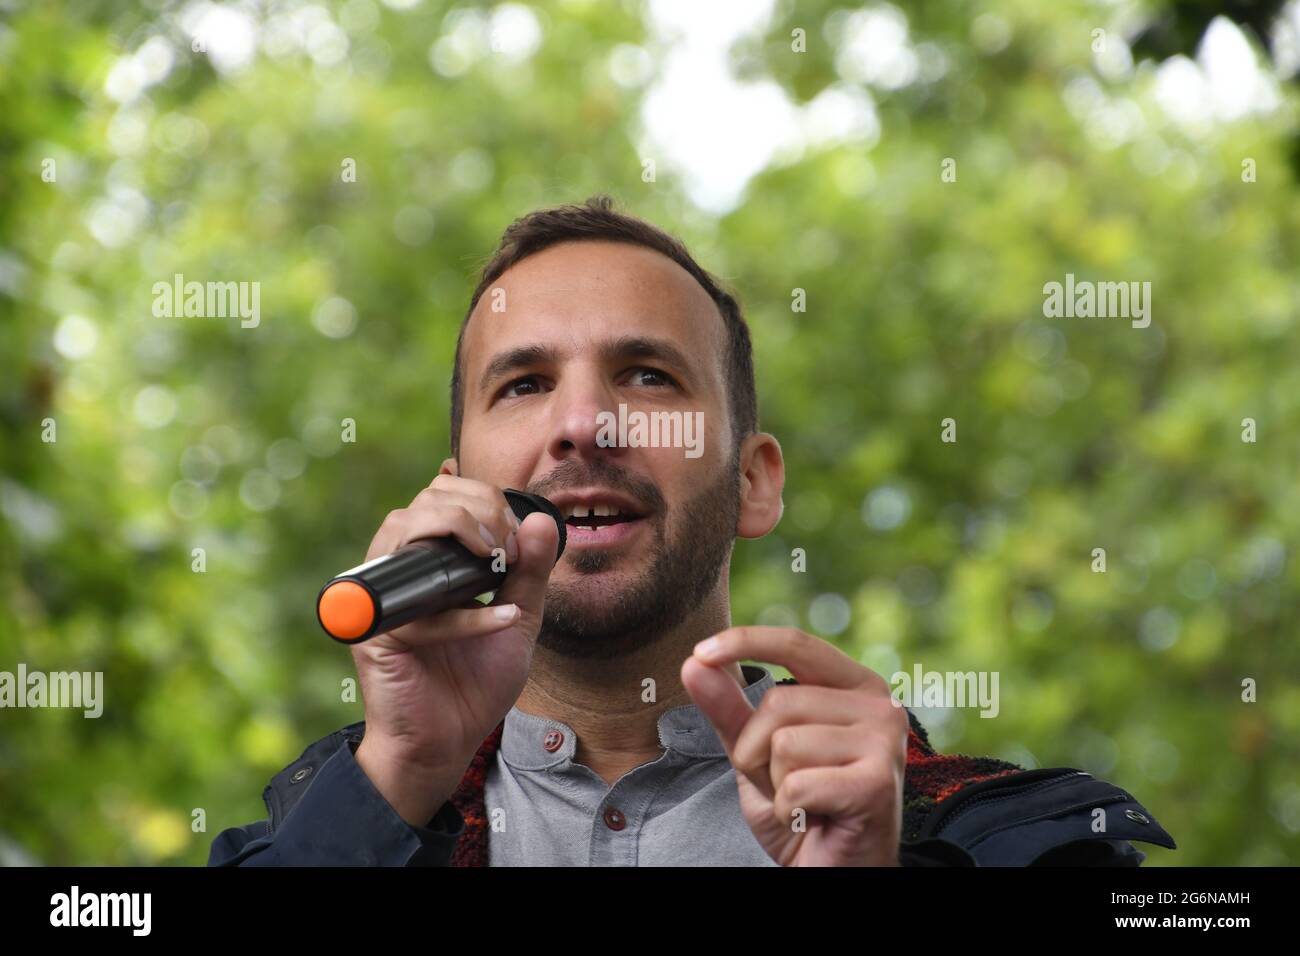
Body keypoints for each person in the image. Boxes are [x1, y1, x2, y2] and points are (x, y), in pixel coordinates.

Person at [209, 195, 1175, 866]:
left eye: (647, 375)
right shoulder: (312, 832)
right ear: (456, 490)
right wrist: (392, 783)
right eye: (526, 384)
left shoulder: (1010, 844)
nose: (586, 423)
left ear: (754, 483)